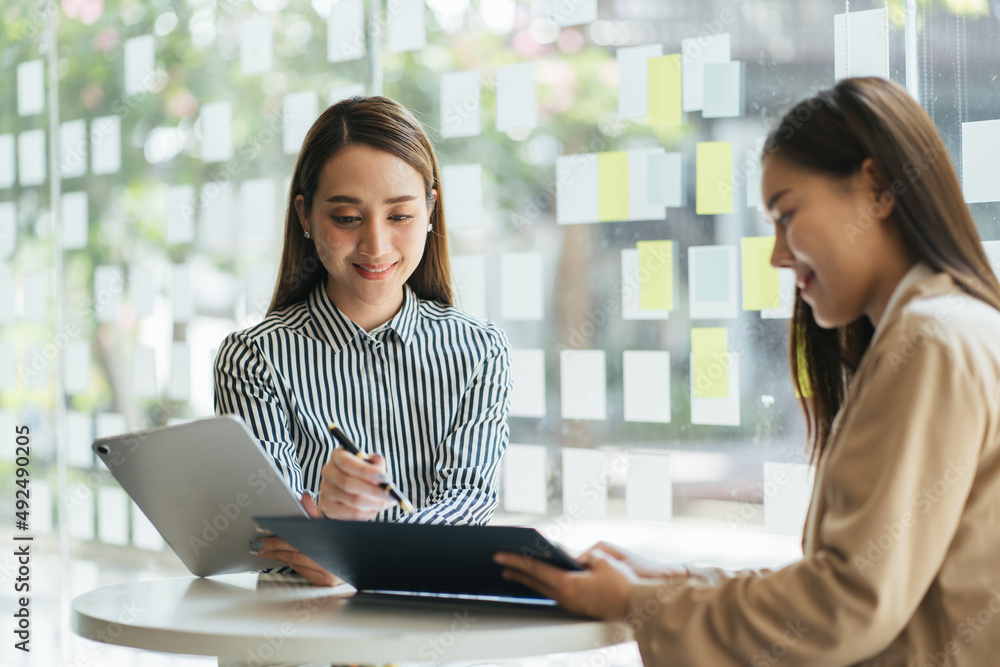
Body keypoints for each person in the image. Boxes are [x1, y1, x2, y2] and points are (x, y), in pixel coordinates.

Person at [495, 77, 1000, 665]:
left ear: (878, 189)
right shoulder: (952, 328)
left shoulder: (930, 343)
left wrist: (640, 601)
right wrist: (669, 581)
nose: (778, 255)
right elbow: (852, 583)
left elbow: (844, 606)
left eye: (787, 216)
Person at [214, 96, 512, 586]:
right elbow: (275, 533)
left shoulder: (479, 351)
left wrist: (347, 550)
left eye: (399, 216)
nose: (376, 246)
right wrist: (335, 536)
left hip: (428, 632)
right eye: (348, 218)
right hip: (299, 639)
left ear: (431, 210)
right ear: (305, 216)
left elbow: (468, 500)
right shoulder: (255, 358)